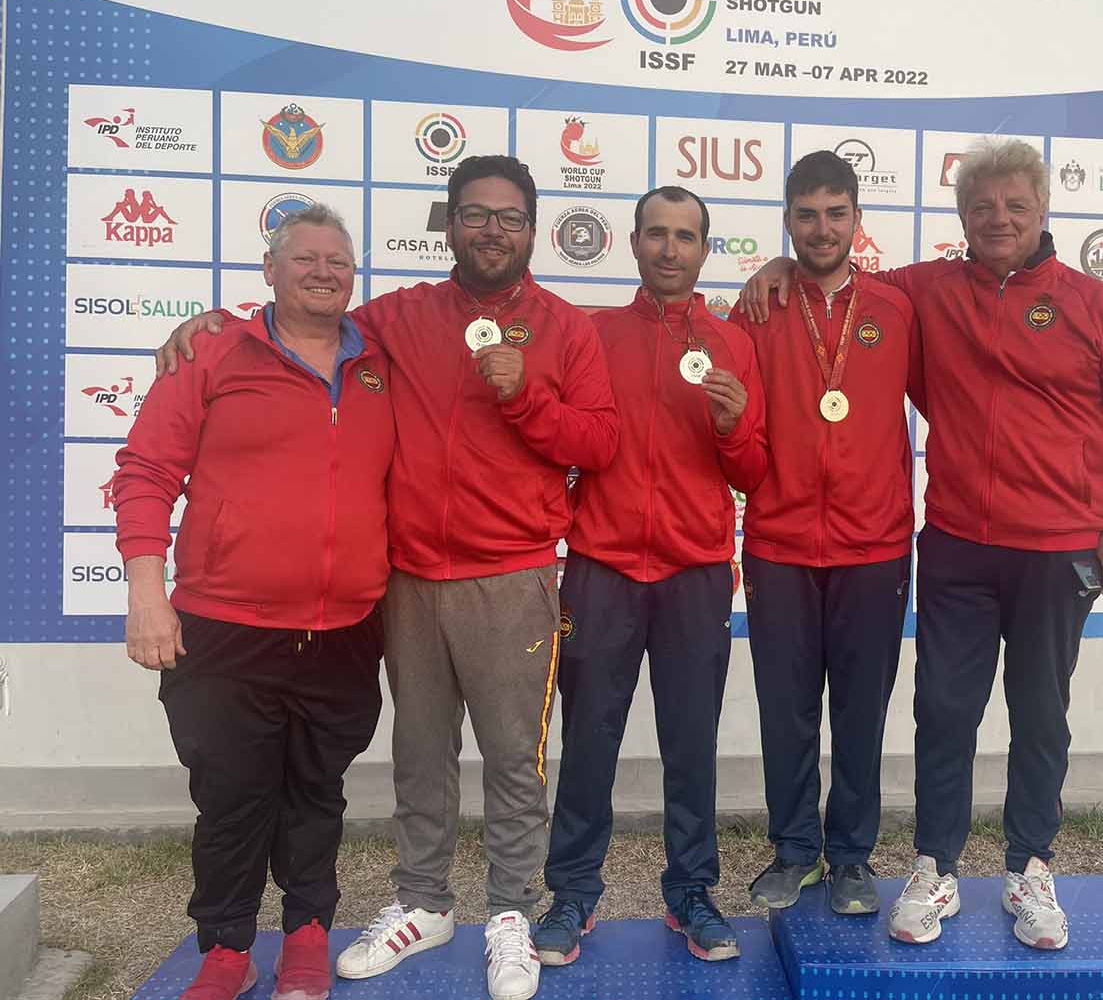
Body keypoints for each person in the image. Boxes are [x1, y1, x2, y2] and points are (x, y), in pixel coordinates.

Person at [155, 156, 620, 1000]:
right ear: (449, 224)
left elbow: (599, 446)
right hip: (405, 579)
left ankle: (511, 910)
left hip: (510, 577)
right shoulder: (395, 317)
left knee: (515, 757)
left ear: (531, 228)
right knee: (419, 752)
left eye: (509, 217)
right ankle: (423, 901)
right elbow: (301, 317)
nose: (491, 230)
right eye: (475, 214)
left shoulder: (564, 328)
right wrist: (212, 324)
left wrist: (527, 400)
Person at [741, 138, 1103, 951]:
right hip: (955, 544)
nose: (999, 219)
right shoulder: (923, 292)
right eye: (983, 207)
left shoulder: (1090, 304)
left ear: (1042, 212)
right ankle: (934, 864)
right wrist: (776, 261)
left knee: (1041, 713)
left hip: (1057, 549)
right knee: (943, 710)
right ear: (962, 217)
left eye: (1015, 205)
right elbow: (830, 271)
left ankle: (1029, 867)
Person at [117, 206, 393, 1000]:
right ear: (268, 269)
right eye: (304, 257)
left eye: (338, 261)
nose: (323, 271)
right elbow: (144, 471)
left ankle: (308, 934)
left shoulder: (380, 359)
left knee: (315, 792)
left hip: (343, 631)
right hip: (225, 629)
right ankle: (226, 948)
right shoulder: (213, 349)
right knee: (233, 798)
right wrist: (146, 590)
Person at [534, 186, 768, 967]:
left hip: (695, 572)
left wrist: (735, 427)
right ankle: (571, 891)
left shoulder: (733, 343)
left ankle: (692, 891)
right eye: (657, 234)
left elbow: (756, 470)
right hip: (600, 569)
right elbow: (556, 430)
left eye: (686, 236)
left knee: (691, 742)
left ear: (704, 250)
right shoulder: (590, 333)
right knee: (589, 737)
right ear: (631, 242)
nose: (670, 248)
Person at [732, 152, 915, 917]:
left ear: (856, 219)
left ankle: (851, 856)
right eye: (805, 215)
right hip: (778, 544)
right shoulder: (758, 306)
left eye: (835, 213)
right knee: (786, 708)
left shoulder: (900, 306)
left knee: (861, 710)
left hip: (874, 546)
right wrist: (767, 269)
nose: (820, 229)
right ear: (787, 219)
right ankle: (794, 849)